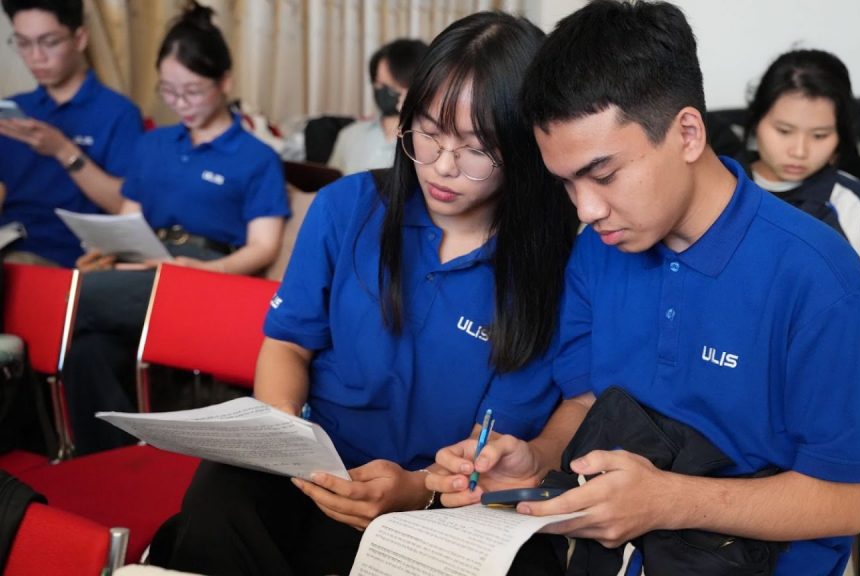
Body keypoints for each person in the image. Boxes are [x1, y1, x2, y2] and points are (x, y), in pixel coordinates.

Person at [430, 2, 860, 575]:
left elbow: (850, 500)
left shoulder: (821, 282)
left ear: (687, 133)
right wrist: (535, 461)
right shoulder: (596, 251)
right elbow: (586, 402)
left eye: (603, 174)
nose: (586, 208)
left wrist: (669, 501)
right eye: (567, 183)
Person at [148, 11, 578, 575]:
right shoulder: (346, 208)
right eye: (428, 131)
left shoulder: (552, 268)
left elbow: (504, 436)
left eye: (476, 149)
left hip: (444, 503)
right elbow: (288, 344)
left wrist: (418, 488)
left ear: (522, 149)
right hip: (319, 472)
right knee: (222, 493)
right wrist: (282, 434)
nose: (442, 166)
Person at [62, 1, 289, 456]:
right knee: (86, 350)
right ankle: (113, 466)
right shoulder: (153, 144)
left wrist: (204, 270)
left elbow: (263, 247)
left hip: (209, 275)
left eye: (192, 91)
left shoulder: (256, 157)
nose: (180, 104)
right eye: (168, 91)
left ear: (224, 82)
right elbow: (130, 219)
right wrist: (109, 252)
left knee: (65, 299)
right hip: (147, 266)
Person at [743, 49, 860, 347]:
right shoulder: (719, 189)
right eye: (784, 131)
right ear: (756, 121)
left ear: (840, 135)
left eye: (820, 135)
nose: (799, 151)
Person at [0, 0, 142, 267]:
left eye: (49, 42)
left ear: (80, 39)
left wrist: (63, 150)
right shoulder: (14, 110)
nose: (36, 56)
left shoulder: (118, 113)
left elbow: (124, 207)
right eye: (23, 43)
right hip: (8, 245)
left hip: (67, 257)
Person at [326, 38, 428, 174]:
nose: (381, 90)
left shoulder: (429, 142)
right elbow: (331, 183)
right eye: (378, 83)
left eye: (391, 86)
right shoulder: (349, 135)